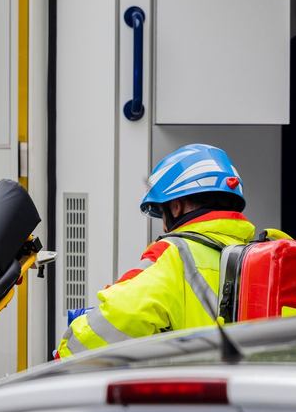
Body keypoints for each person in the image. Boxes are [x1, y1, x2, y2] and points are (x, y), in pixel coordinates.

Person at [57, 144, 254, 359]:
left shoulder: (175, 254)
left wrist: (64, 353)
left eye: (162, 212)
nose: (164, 227)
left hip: (195, 380)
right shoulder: (256, 255)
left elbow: (113, 321)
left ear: (176, 206)